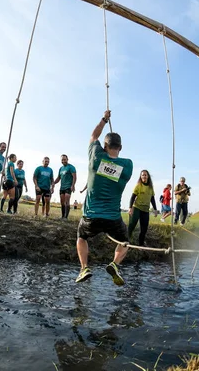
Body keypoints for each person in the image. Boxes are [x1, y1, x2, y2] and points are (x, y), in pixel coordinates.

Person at [75, 110, 133, 286]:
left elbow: (94, 135)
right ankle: (115, 265)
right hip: (113, 218)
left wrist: (104, 120)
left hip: (90, 216)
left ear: (105, 146)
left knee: (81, 236)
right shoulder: (127, 165)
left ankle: (84, 267)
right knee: (125, 241)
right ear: (120, 148)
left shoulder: (96, 156)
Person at [127, 170, 158, 246]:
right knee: (132, 224)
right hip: (137, 207)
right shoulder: (138, 185)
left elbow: (152, 199)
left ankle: (141, 244)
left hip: (145, 210)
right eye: (142, 175)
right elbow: (133, 197)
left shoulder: (150, 187)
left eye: (145, 175)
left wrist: (155, 209)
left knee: (144, 229)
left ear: (148, 176)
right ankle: (126, 240)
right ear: (140, 177)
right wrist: (130, 208)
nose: (144, 176)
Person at [54, 154, 77, 219]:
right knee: (62, 201)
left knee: (67, 201)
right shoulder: (61, 168)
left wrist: (73, 185)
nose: (63, 161)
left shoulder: (71, 167)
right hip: (62, 187)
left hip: (68, 187)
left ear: (67, 159)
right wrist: (53, 183)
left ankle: (65, 217)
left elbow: (74, 177)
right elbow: (58, 178)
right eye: (62, 160)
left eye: (64, 159)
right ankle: (62, 216)